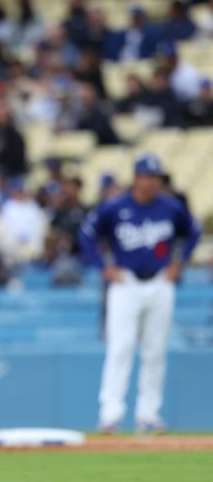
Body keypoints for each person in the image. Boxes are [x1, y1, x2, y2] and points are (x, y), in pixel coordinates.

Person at [78, 154, 200, 433]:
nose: (151, 182)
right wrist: (102, 267)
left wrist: (180, 263)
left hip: (160, 281)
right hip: (125, 283)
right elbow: (86, 235)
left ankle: (149, 413)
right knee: (120, 348)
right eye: (147, 177)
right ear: (136, 178)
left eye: (155, 177)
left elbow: (192, 233)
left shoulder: (171, 207)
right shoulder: (115, 207)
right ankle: (110, 413)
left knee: (154, 351)